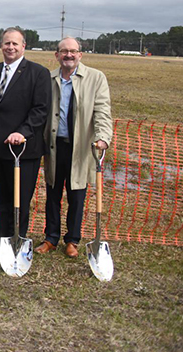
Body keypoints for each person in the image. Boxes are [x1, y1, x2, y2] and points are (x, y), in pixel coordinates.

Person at [0, 27, 50, 247]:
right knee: (3, 195)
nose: (11, 47)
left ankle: (17, 239)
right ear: (1, 45)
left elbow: (40, 110)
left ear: (23, 46)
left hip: (24, 151)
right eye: (7, 43)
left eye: (15, 43)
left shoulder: (38, 73)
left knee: (20, 198)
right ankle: (0, 235)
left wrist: (22, 132)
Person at [36, 37, 112, 257]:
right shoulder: (47, 79)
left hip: (80, 147)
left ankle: (72, 240)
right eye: (64, 51)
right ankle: (50, 238)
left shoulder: (96, 78)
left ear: (80, 54)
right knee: (52, 191)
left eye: (73, 51)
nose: (68, 55)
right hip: (54, 146)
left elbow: (102, 112)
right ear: (57, 55)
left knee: (76, 194)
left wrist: (103, 137)